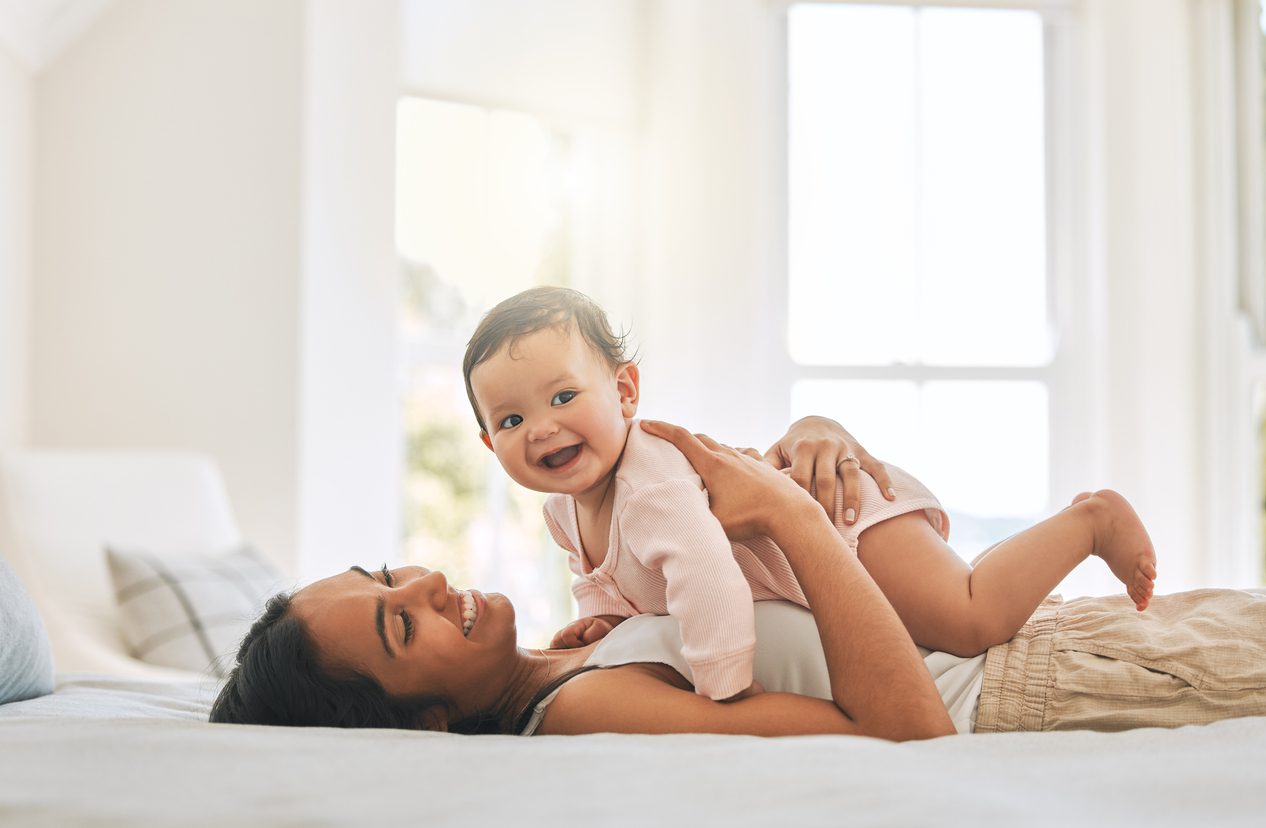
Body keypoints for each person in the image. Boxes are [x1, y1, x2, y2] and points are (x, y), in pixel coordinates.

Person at [208, 418, 1266, 738]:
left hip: (1069, 638)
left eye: (390, 573)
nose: (431, 582)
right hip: (1031, 692)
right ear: (419, 728)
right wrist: (804, 520)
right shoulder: (584, 712)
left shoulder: (574, 647)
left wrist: (814, 449)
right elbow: (903, 739)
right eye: (402, 627)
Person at [461, 287, 1157, 700]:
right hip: (816, 562)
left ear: (625, 392)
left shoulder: (649, 485)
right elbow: (610, 580)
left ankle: (1090, 522)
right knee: (928, 642)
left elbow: (710, 586)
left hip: (842, 520)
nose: (543, 428)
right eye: (513, 419)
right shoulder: (564, 512)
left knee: (969, 616)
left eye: (563, 396)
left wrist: (724, 689)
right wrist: (606, 625)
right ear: (492, 445)